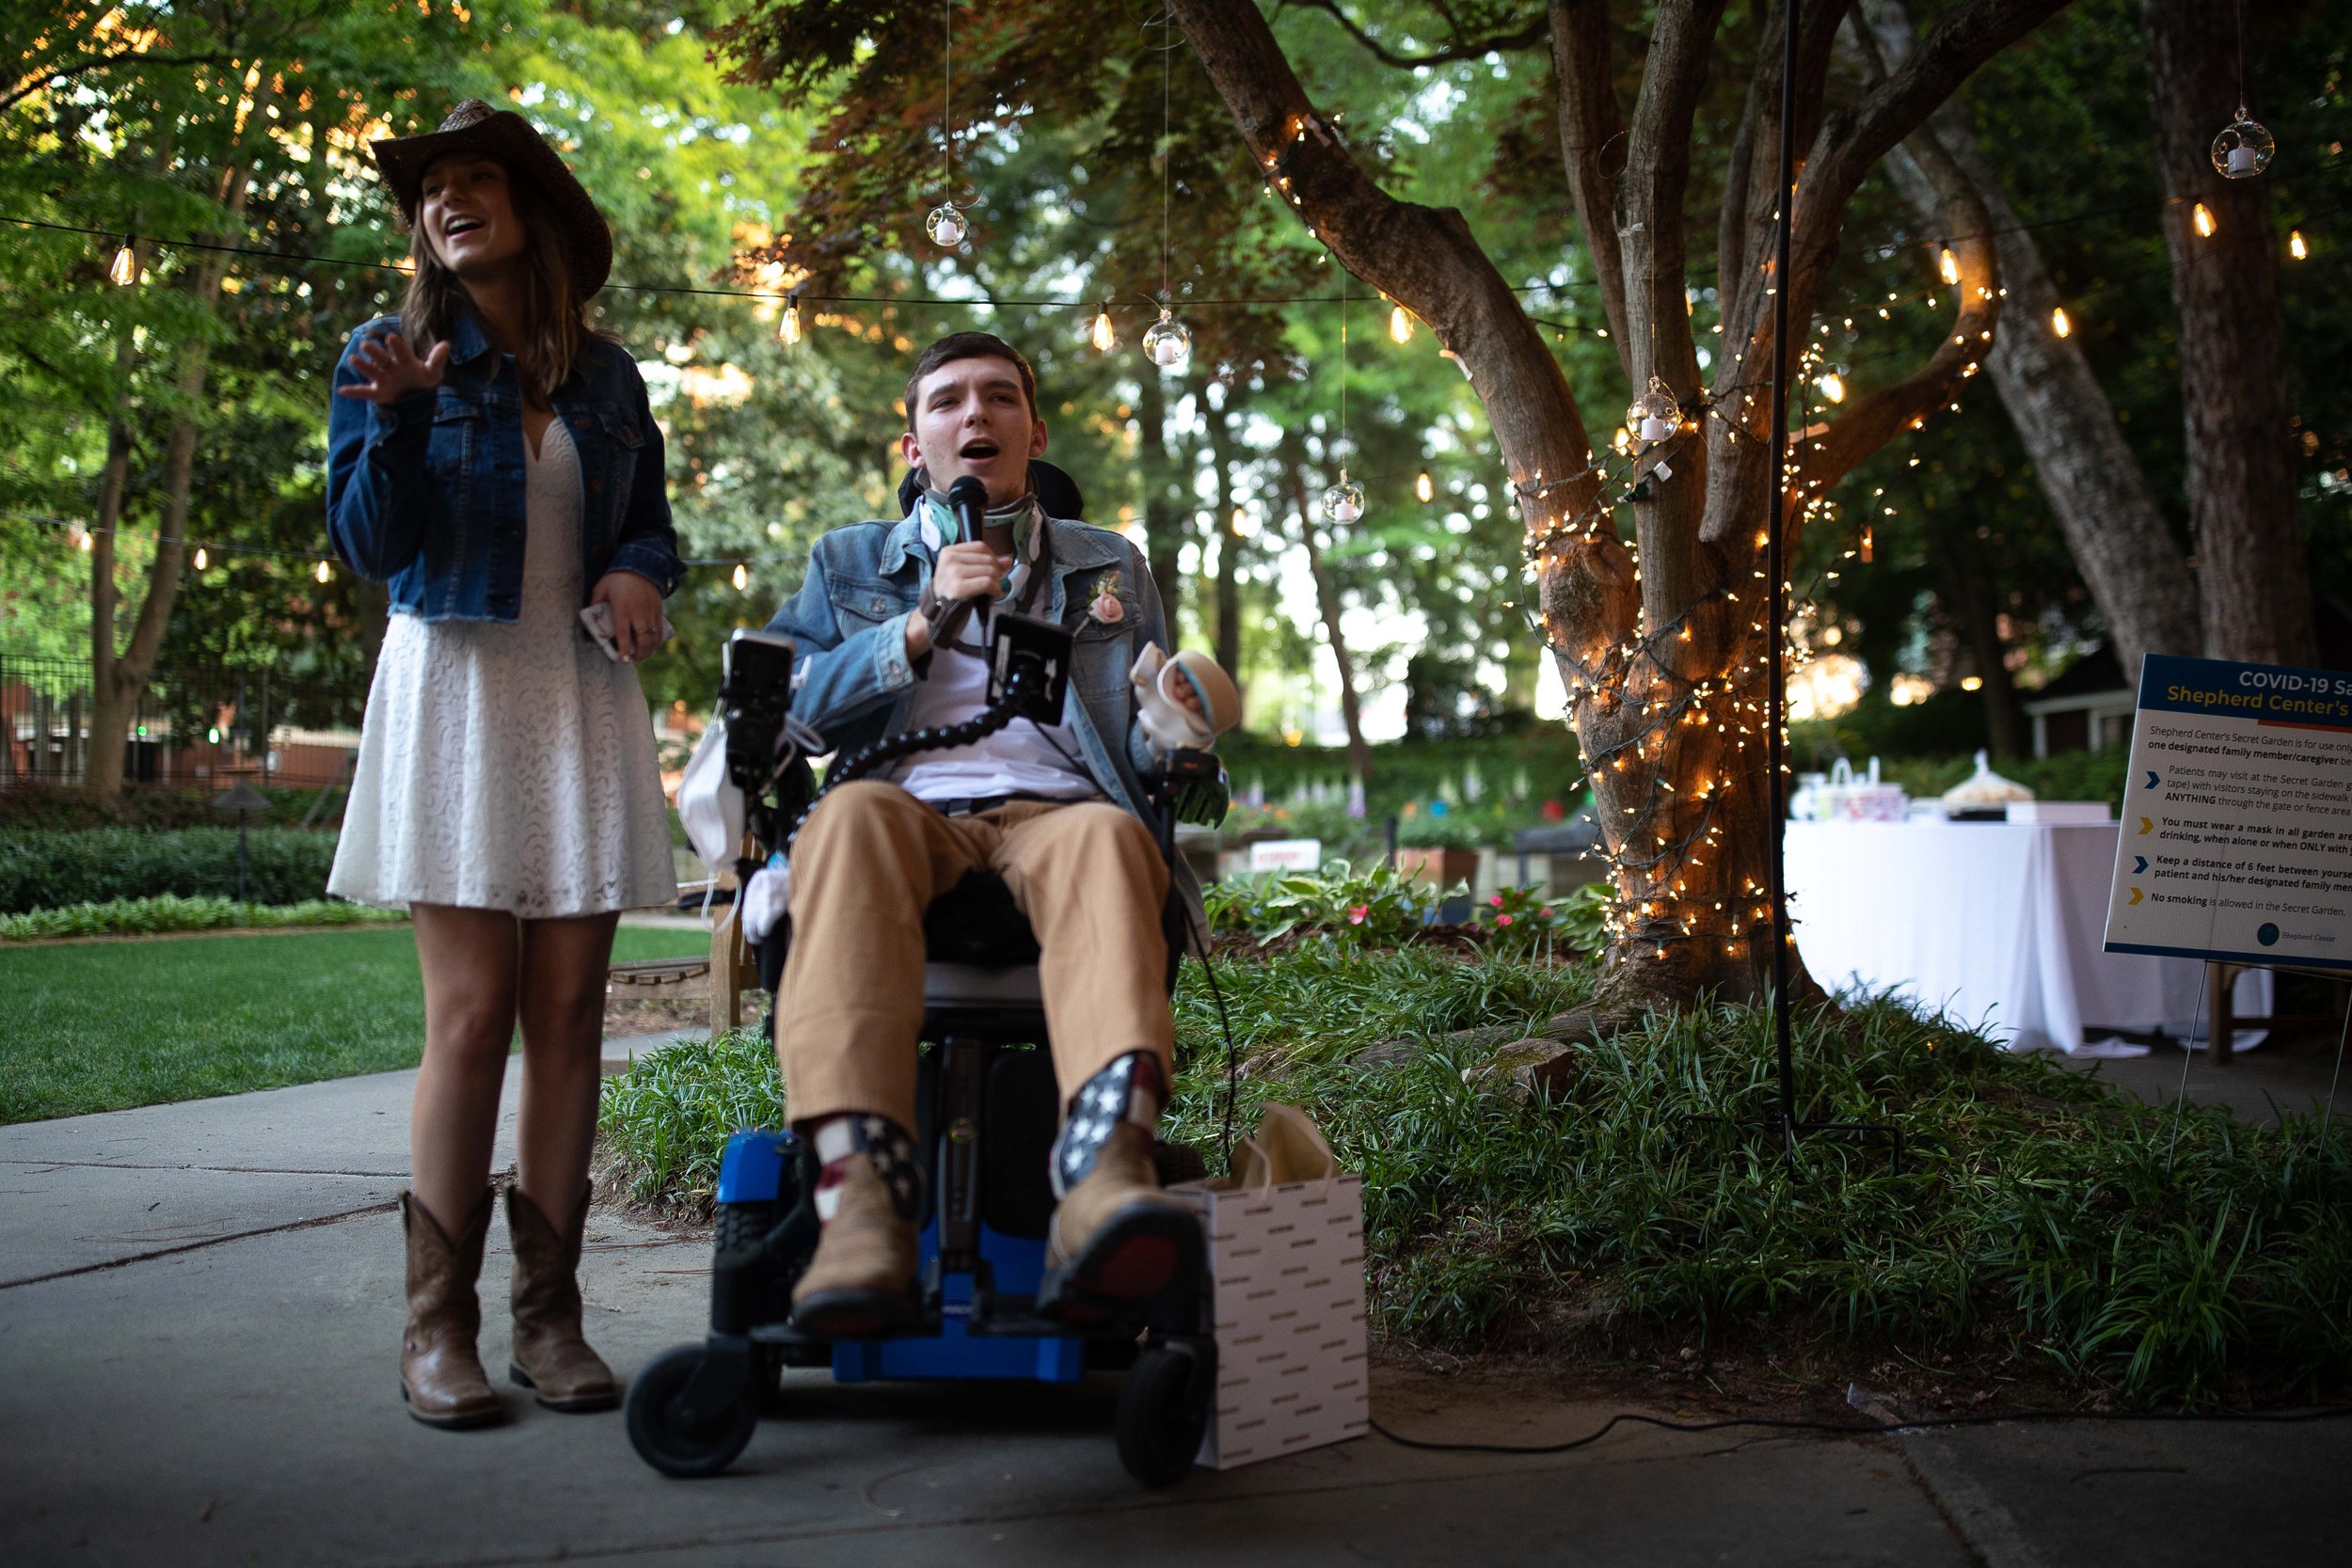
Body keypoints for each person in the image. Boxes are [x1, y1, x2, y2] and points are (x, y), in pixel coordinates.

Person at [325, 101, 681, 1429]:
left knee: (573, 1010)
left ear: (530, 205)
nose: (448, 200)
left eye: (476, 179)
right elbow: (372, 546)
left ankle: (551, 1315)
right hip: (459, 686)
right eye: (431, 189)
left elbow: (648, 528)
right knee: (473, 1013)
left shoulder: (608, 376)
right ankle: (438, 1328)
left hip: (578, 685)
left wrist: (637, 573)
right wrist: (410, 418)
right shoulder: (385, 352)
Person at [760, 332, 1232, 1338]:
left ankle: (1103, 1184)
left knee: (1112, 839)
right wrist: (920, 622)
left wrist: (1183, 744)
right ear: (912, 441)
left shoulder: (1109, 564)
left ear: (1033, 429)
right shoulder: (845, 562)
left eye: (999, 397)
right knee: (844, 817)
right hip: (903, 811)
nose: (975, 415)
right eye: (948, 401)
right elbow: (787, 720)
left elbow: (1165, 769)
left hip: (1057, 812)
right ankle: (861, 1217)